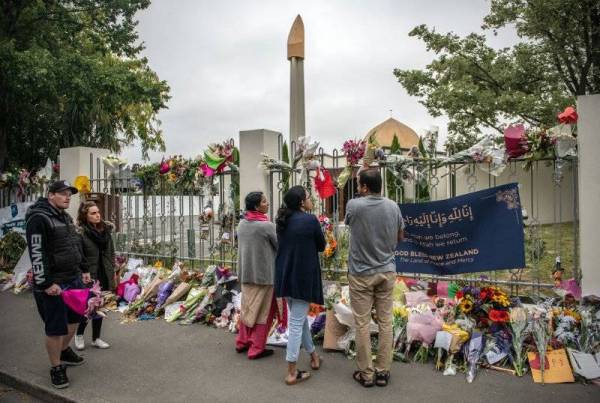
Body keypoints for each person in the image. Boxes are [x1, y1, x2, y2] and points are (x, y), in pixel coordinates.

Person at [25, 180, 90, 389]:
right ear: (50, 195)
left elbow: (75, 244)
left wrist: (84, 268)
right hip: (54, 283)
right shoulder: (38, 218)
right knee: (55, 327)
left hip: (73, 277)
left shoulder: (65, 217)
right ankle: (56, 367)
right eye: (63, 193)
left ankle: (63, 350)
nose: (67, 197)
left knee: (75, 318)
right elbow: (37, 252)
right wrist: (45, 283)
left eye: (69, 194)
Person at [344, 169, 404, 388]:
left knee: (362, 323)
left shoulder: (354, 205)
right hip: (386, 271)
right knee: (386, 322)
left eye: (359, 184)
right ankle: (383, 371)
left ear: (365, 187)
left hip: (360, 273)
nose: (357, 187)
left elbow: (349, 223)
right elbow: (400, 235)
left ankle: (366, 374)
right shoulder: (393, 206)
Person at [274, 186, 325, 385]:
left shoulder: (282, 221)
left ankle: (313, 356)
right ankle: (292, 372)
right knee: (296, 323)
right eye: (308, 197)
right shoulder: (310, 220)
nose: (311, 199)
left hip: (285, 275)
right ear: (302, 202)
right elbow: (321, 246)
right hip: (302, 277)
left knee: (300, 320)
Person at [235, 191, 278, 359]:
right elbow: (278, 245)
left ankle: (242, 341)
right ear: (256, 206)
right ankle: (257, 348)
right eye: (264, 201)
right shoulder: (266, 226)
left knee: (247, 309)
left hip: (246, 273)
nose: (267, 203)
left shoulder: (242, 224)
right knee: (263, 313)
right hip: (264, 275)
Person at [74, 201, 116, 350]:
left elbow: (111, 252)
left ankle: (96, 338)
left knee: (99, 306)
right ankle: (78, 335)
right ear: (85, 216)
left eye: (98, 212)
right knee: (87, 307)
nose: (97, 215)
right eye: (93, 213)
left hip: (104, 272)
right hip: (89, 275)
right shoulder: (81, 233)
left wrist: (113, 271)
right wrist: (82, 274)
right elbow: (78, 256)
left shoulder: (105, 230)